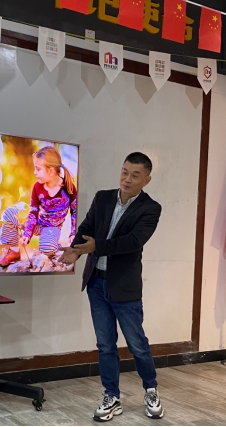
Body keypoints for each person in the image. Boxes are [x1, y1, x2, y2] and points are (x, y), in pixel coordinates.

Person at [58, 152, 163, 421]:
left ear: (146, 180)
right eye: (124, 172)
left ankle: (151, 390)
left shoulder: (151, 208)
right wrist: (76, 250)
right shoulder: (103, 198)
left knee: (137, 344)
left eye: (135, 175)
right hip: (96, 283)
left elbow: (132, 242)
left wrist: (97, 247)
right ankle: (111, 396)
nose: (127, 179)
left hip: (124, 287)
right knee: (105, 345)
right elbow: (87, 228)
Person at [0, 146, 77, 267]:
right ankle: (14, 251)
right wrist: (27, 235)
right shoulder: (37, 187)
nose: (35, 172)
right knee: (8, 214)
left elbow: (75, 211)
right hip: (37, 224)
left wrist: (73, 233)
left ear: (51, 171)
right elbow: (33, 212)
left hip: (52, 228)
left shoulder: (68, 188)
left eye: (38, 169)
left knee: (47, 249)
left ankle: (53, 246)